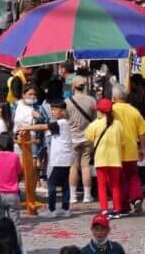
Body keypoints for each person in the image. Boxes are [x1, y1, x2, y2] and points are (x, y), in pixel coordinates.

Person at [110, 84, 145, 214]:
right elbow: (142, 132)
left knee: (119, 179)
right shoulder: (134, 111)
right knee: (133, 175)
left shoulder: (111, 111)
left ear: (115, 96)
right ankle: (136, 197)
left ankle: (123, 205)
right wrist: (142, 148)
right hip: (131, 149)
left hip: (115, 150)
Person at [66, 74, 96, 206]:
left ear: (73, 87)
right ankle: (87, 195)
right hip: (88, 137)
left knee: (73, 167)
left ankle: (73, 196)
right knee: (85, 167)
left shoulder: (67, 102)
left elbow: (65, 120)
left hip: (72, 138)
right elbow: (95, 119)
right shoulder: (91, 101)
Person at [45, 98, 74, 218]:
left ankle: (52, 209)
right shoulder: (64, 123)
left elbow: (44, 126)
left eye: (55, 109)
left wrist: (26, 127)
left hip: (60, 159)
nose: (52, 112)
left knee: (51, 184)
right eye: (52, 110)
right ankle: (65, 208)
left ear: (62, 111)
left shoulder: (61, 123)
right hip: (65, 158)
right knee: (64, 184)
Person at [0, 132, 22, 224]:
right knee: (15, 224)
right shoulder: (15, 157)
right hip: (13, 193)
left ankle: (0, 238)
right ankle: (15, 238)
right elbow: (19, 172)